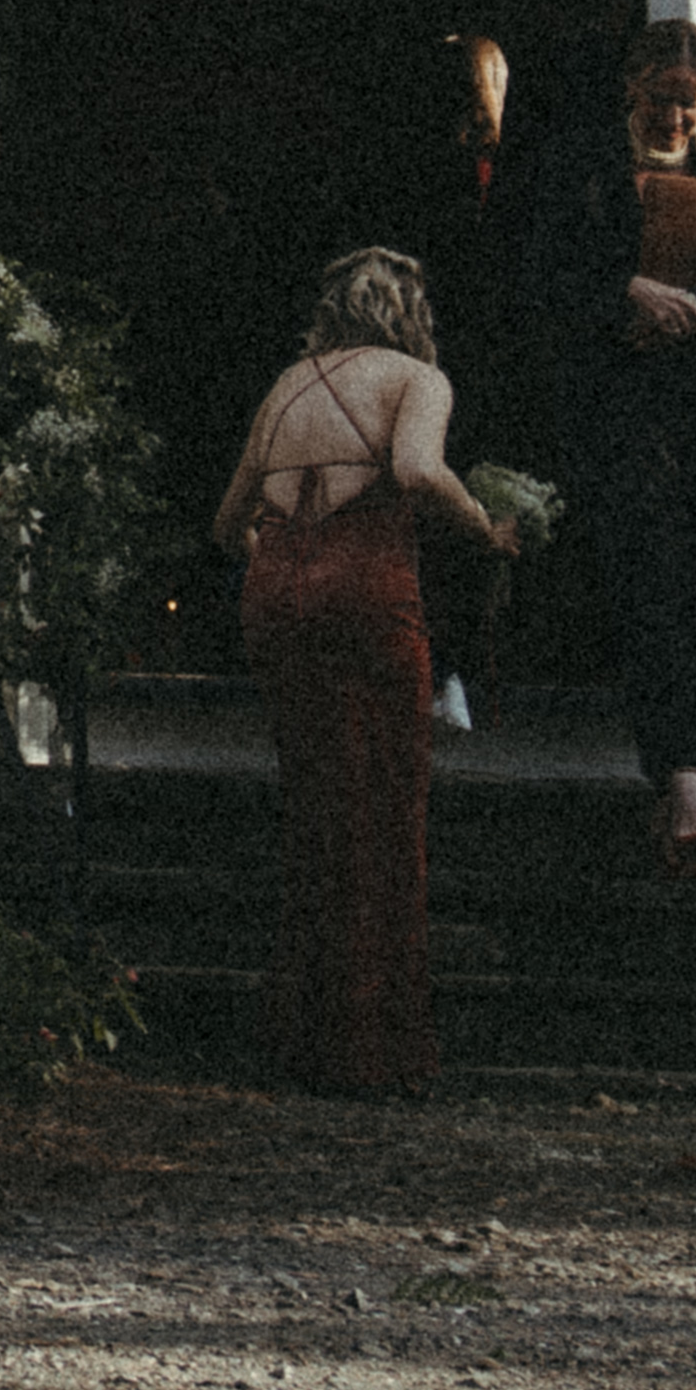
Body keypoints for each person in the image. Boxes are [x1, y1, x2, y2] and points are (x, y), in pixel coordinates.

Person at [211, 244, 510, 1099]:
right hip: (366, 588)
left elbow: (229, 521)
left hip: (277, 594)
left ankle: (300, 1042)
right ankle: (376, 1053)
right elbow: (417, 471)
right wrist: (484, 525)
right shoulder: (416, 379)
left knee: (314, 810)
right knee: (385, 810)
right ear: (411, 316)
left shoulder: (286, 385)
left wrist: (285, 556)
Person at [499, 20, 696, 869]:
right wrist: (624, 290)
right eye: (661, 100)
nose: (676, 118)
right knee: (652, 584)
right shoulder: (581, 166)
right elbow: (536, 281)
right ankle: (680, 782)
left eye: (690, 103)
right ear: (630, 90)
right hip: (616, 412)